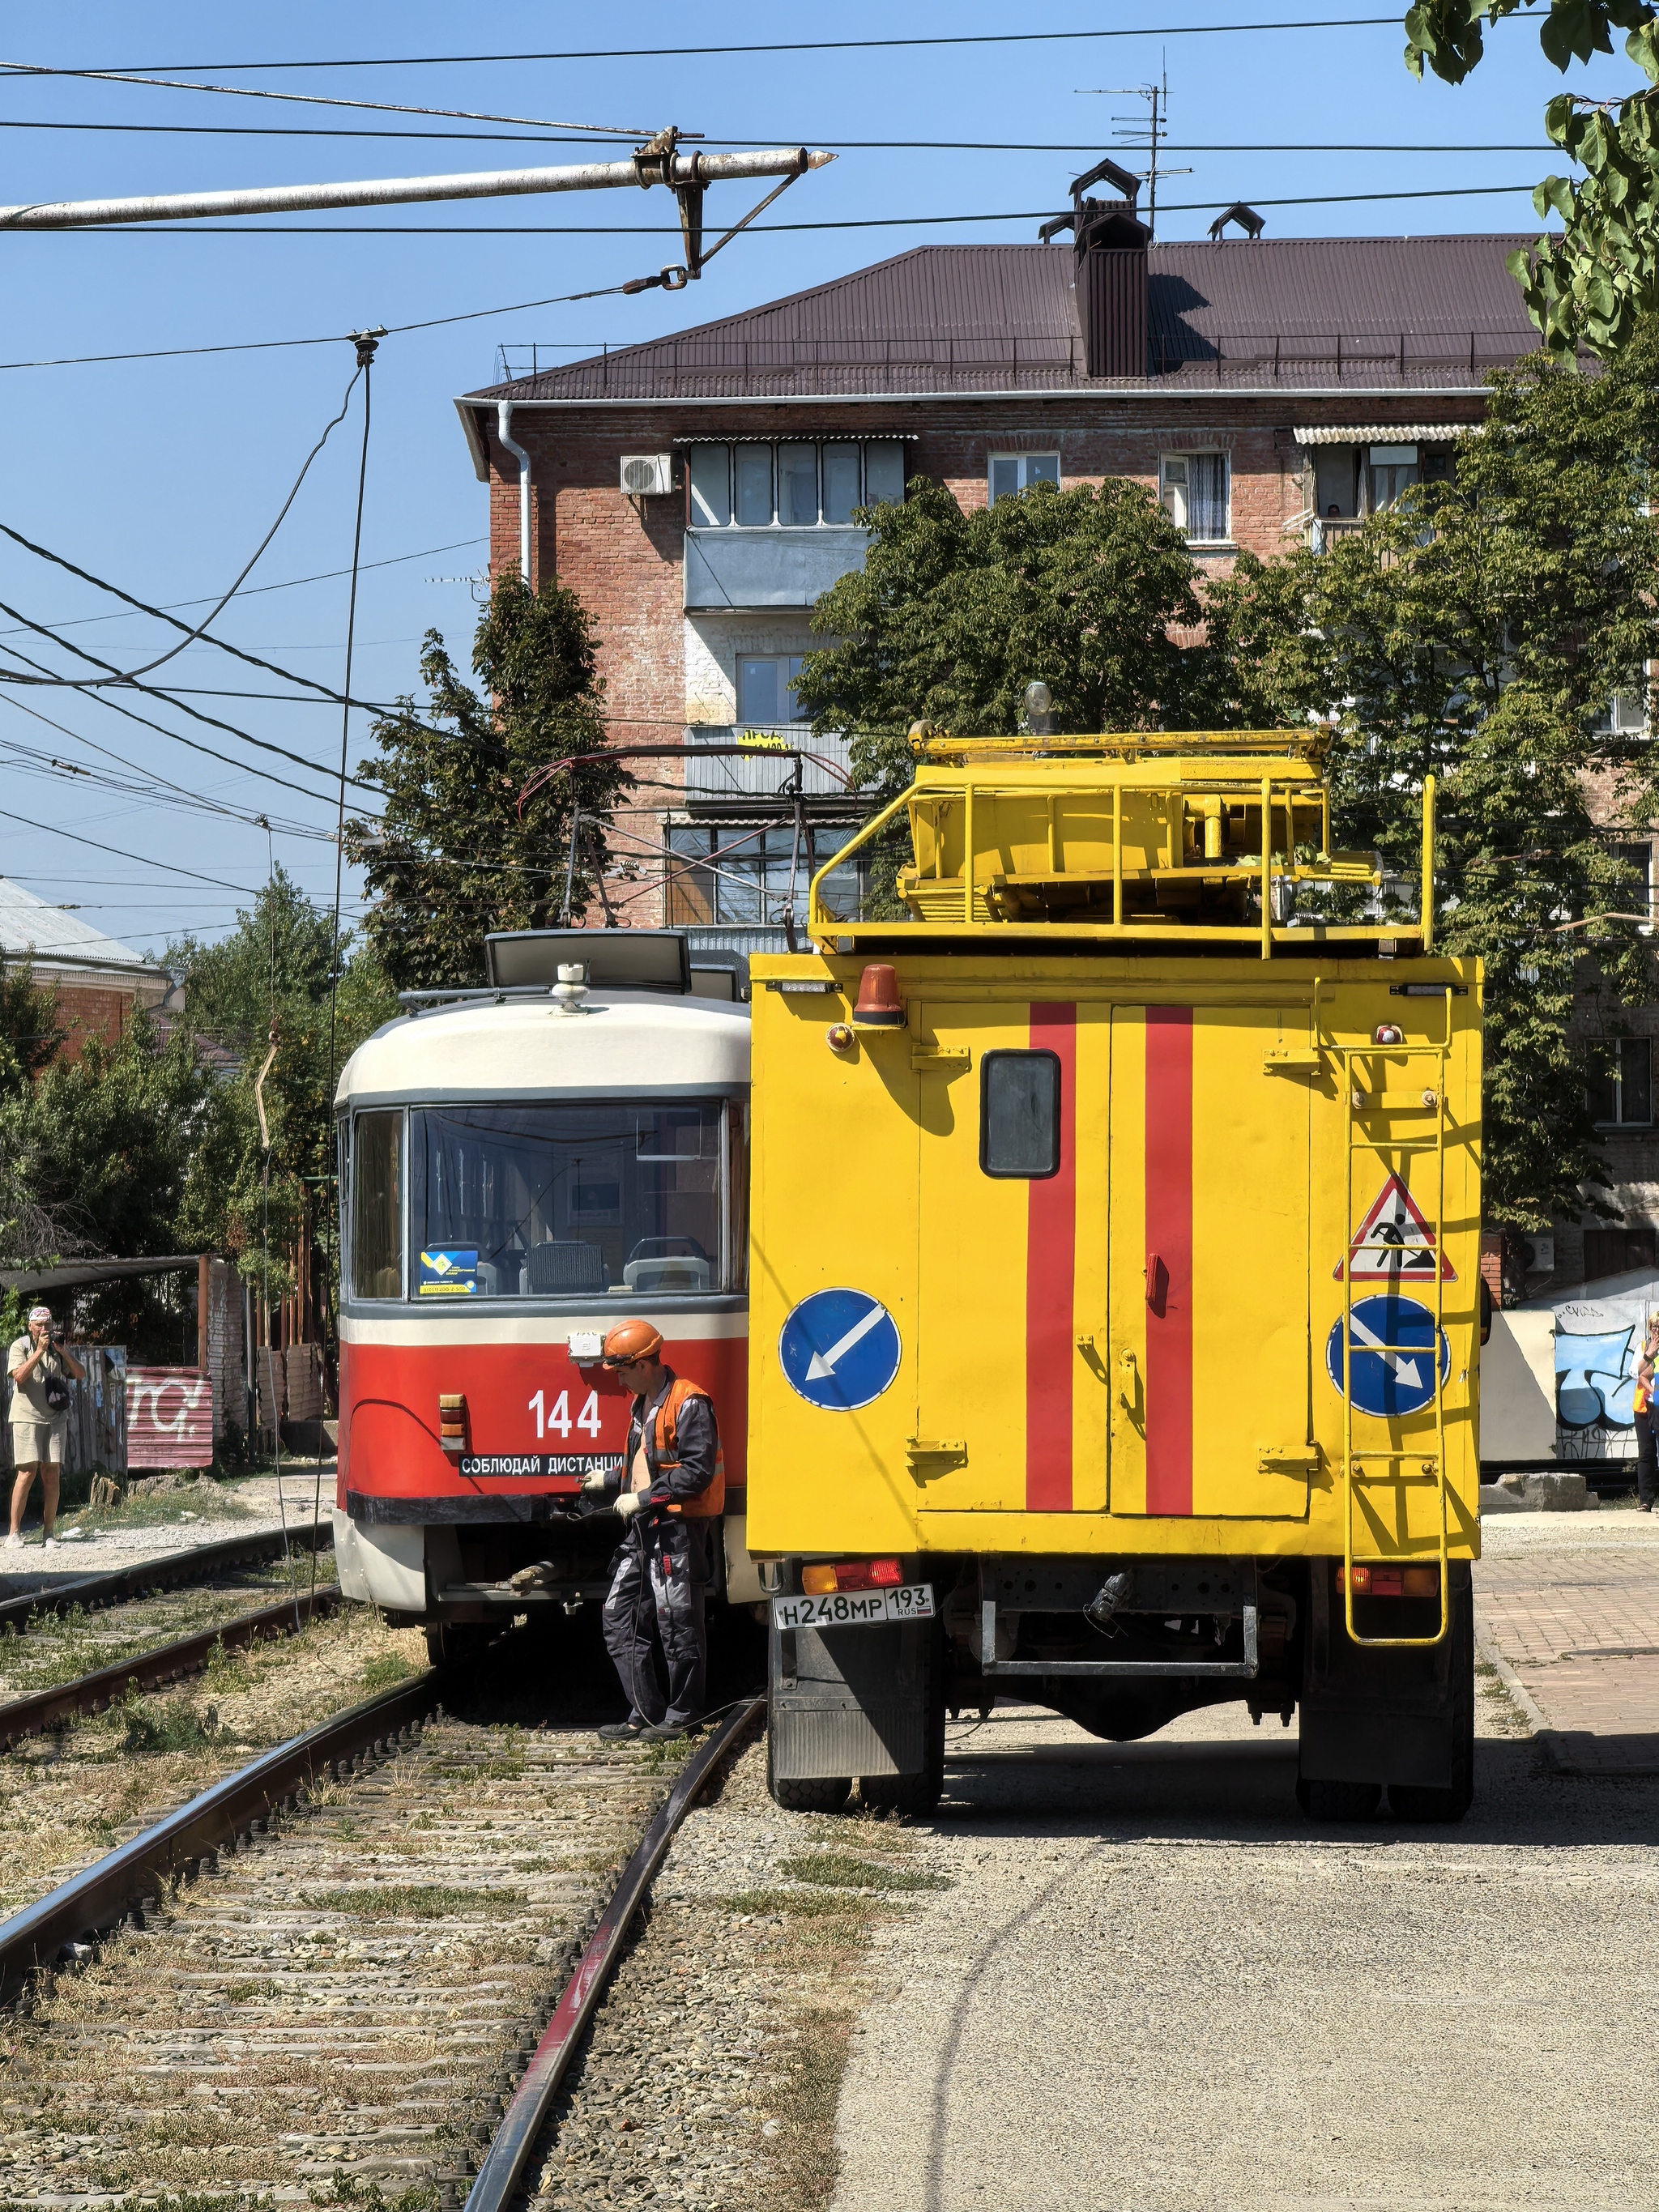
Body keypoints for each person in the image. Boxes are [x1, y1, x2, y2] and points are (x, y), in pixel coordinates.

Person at [582, 1317, 723, 1743]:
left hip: (676, 1531)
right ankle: (645, 1711)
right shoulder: (642, 1405)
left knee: (677, 1622)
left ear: (644, 1364)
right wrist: (610, 1480)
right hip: (644, 1530)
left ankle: (682, 1715)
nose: (619, 1380)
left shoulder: (690, 1403)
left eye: (622, 1371)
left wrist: (641, 1500)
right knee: (618, 1615)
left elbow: (696, 1472)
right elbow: (647, 1463)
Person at [6, 1306, 83, 1549]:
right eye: (39, 1324)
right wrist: (39, 1351)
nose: (43, 1329)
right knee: (27, 1472)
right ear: (30, 1326)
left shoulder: (57, 1348)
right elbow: (19, 1376)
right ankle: (13, 1534)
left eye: (47, 1324)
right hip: (27, 1417)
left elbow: (80, 1374)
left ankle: (49, 1533)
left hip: (55, 1419)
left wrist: (64, 1351)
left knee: (52, 1475)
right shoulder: (20, 1346)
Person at [1636, 1314, 1659, 1511]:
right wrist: (1650, 1353)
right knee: (1646, 1453)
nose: (1657, 1330)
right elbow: (1637, 1372)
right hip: (1646, 1408)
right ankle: (1646, 1499)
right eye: (1654, 1327)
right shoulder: (1644, 1347)